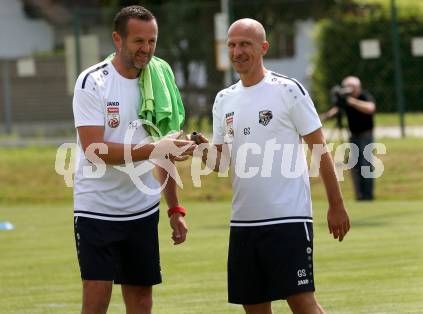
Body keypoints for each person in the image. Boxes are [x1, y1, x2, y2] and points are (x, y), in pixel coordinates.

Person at [192, 19, 350, 314]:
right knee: (253, 307)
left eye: (245, 44)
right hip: (244, 223)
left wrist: (336, 205)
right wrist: (199, 147)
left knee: (302, 303)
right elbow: (222, 163)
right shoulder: (223, 100)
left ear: (263, 47)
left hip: (287, 220)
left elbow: (320, 149)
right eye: (232, 45)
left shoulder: (288, 90)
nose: (237, 51)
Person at [72, 6, 195, 314]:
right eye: (139, 41)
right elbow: (94, 151)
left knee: (141, 301)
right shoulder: (93, 82)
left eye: (152, 41)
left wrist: (174, 209)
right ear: (118, 39)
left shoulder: (158, 81)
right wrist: (153, 149)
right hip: (97, 210)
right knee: (96, 299)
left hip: (142, 210)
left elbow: (163, 152)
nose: (147, 49)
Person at [321, 76, 376, 201]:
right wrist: (323, 117)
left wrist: (352, 102)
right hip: (353, 136)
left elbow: (370, 108)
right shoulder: (344, 100)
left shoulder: (364, 96)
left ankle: (368, 195)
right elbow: (336, 110)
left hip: (366, 135)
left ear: (358, 87)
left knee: (366, 164)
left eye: (352, 87)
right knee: (355, 165)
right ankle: (359, 195)